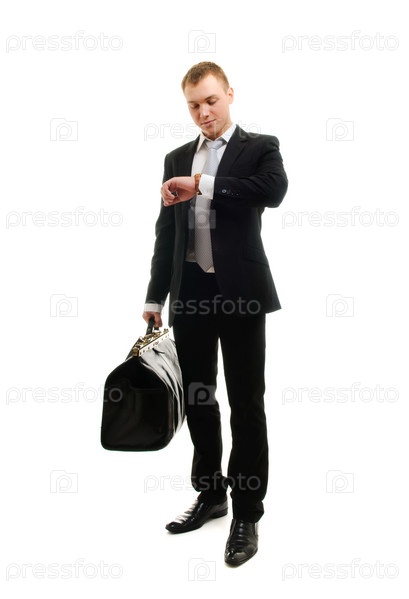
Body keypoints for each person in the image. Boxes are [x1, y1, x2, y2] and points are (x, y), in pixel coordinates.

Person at [142, 61, 288, 566]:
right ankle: (211, 494)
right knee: (199, 397)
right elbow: (167, 234)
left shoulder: (259, 147)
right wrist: (155, 297)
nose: (203, 112)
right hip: (191, 292)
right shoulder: (175, 157)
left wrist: (201, 183)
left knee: (246, 402)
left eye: (210, 100)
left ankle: (247, 511)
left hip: (242, 292)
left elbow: (271, 191)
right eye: (193, 105)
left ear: (229, 93)